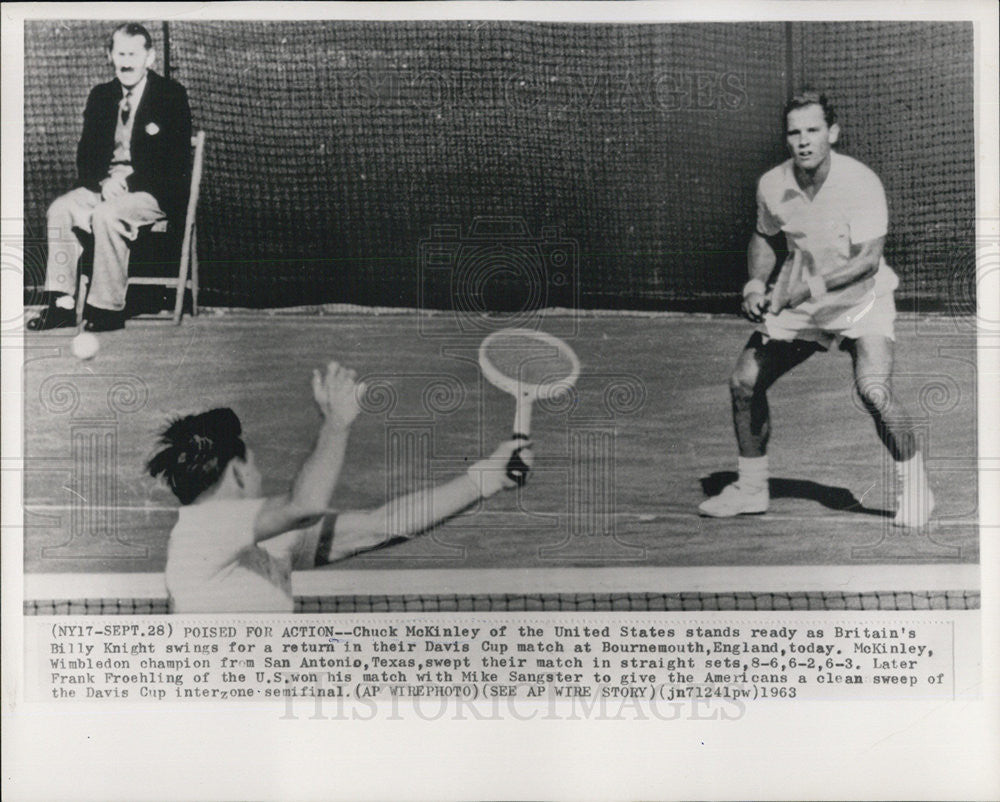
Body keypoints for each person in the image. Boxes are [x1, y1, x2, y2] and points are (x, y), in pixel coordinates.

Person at [698, 90, 933, 527]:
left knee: (874, 391)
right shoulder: (772, 184)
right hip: (802, 302)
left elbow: (865, 261)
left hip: (863, 301)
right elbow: (765, 236)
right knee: (744, 382)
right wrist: (754, 284)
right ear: (786, 139)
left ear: (832, 133)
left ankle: (916, 489)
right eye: (795, 132)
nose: (804, 141)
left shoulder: (861, 182)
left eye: (813, 130)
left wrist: (803, 290)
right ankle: (751, 489)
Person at [148, 361, 531, 613]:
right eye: (255, 464)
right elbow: (306, 503)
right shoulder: (198, 534)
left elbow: (381, 525)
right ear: (238, 473)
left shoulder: (267, 544)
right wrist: (336, 423)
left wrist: (486, 476)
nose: (260, 475)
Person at [27, 22, 192, 333]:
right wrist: (104, 183)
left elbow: (174, 163)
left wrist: (127, 184)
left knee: (106, 214)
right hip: (104, 186)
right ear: (110, 56)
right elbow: (85, 156)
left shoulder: (170, 95)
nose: (126, 61)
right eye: (120, 54)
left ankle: (106, 309)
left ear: (150, 57)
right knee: (60, 209)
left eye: (133, 54)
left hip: (151, 192)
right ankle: (61, 306)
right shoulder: (101, 96)